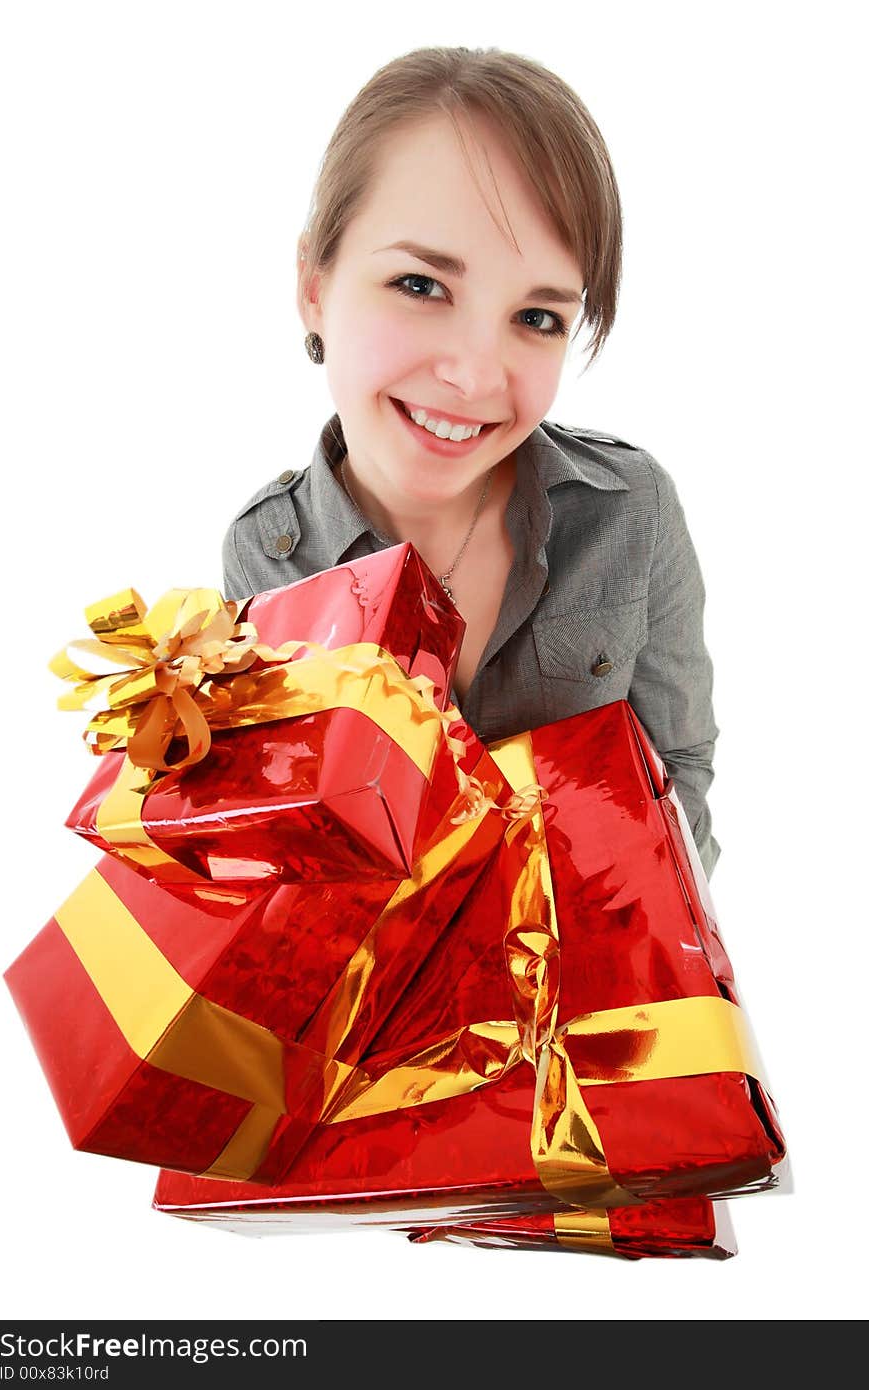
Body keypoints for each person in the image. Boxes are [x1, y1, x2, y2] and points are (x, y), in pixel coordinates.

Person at [221, 46, 721, 879]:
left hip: (598, 1000)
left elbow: (680, 781)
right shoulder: (271, 556)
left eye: (537, 316)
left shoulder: (632, 510)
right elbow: (300, 856)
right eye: (421, 285)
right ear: (315, 284)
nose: (476, 376)